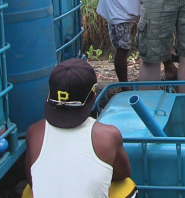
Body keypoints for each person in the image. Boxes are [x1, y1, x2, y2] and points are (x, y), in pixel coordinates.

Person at [24, 58, 134, 198]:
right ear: (93, 97)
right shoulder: (108, 135)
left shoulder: (34, 132)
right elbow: (123, 173)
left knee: (29, 191)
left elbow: (33, 181)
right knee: (126, 186)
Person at [96, 0, 179, 85]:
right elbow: (148, 1)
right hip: (115, 1)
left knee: (157, 32)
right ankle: (124, 87)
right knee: (123, 46)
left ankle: (170, 69)